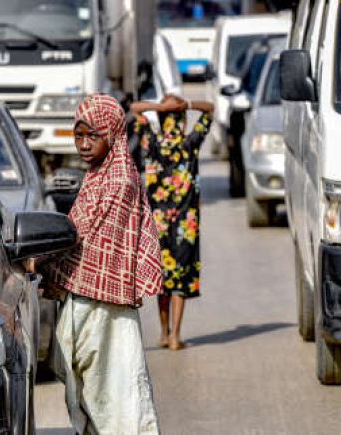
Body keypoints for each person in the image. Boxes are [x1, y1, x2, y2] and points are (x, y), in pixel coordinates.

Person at [39, 94, 163, 434]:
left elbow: (86, 239)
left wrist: (45, 264)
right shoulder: (99, 174)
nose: (82, 144)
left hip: (105, 305)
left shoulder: (118, 181)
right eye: (78, 136)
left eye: (91, 135)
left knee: (114, 389)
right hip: (88, 302)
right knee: (94, 385)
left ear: (112, 133)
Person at [129, 94, 214, 351]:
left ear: (163, 118)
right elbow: (210, 109)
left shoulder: (151, 143)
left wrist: (158, 107)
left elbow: (134, 108)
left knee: (163, 278)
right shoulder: (191, 143)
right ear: (183, 122)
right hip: (186, 224)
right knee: (180, 278)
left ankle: (164, 333)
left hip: (158, 223)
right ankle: (176, 335)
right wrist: (186, 104)